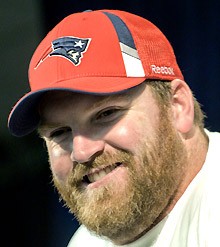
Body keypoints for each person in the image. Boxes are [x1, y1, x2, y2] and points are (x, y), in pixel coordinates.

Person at [8, 9, 220, 247]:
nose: (82, 152)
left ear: (177, 107)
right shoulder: (85, 243)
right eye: (59, 132)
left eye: (106, 114)